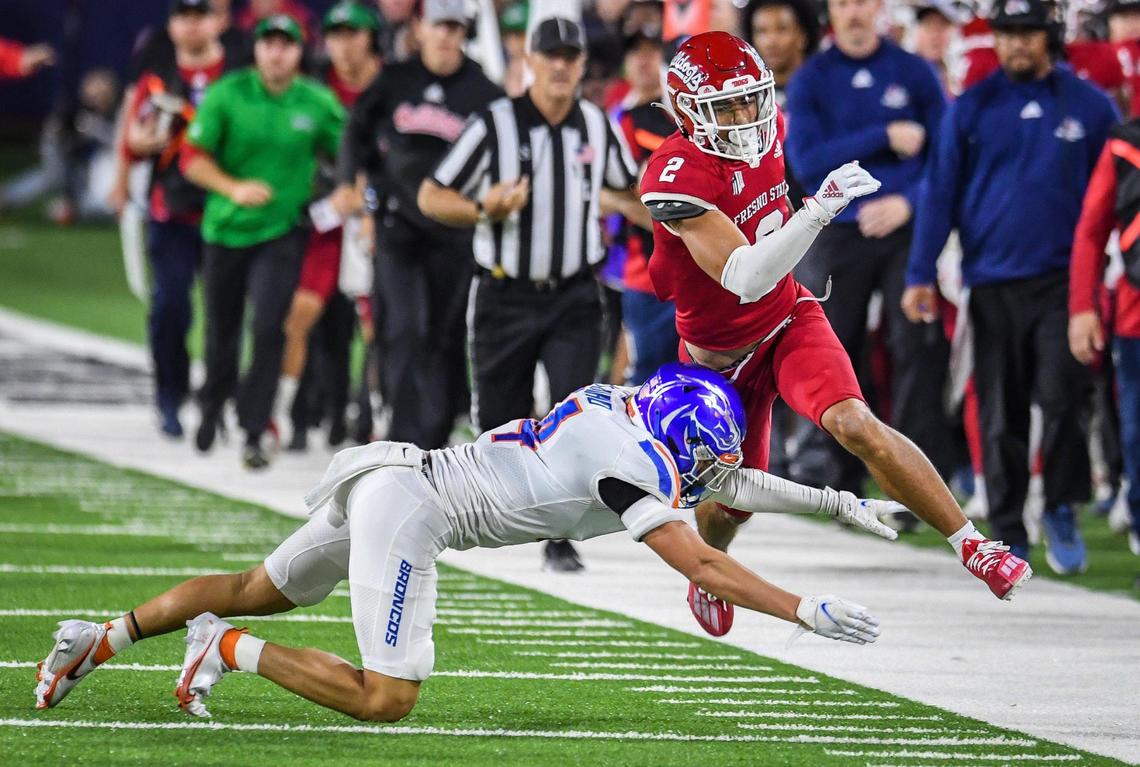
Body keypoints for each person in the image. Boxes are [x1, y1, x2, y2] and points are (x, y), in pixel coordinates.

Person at [35, 363, 899, 720]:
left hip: (394, 476)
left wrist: (833, 501)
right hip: (411, 510)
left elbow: (727, 481)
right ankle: (221, 646)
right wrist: (802, 608)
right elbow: (702, 559)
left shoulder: (626, 411)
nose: (711, 472)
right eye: (701, 454)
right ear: (674, 432)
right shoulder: (628, 459)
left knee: (255, 580)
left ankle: (100, 637)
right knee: (388, 696)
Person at [635, 31, 1030, 637]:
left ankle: (973, 545)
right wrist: (818, 210)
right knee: (729, 503)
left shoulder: (772, 131)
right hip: (716, 365)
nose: (746, 118)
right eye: (728, 107)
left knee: (854, 423)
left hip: (788, 319)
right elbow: (744, 277)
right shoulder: (675, 172)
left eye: (753, 101)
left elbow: (770, 283)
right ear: (688, 111)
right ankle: (708, 571)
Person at [417, 17, 644, 573]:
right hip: (504, 295)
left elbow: (630, 189)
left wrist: (677, 218)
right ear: (530, 62)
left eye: (572, 56)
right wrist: (481, 210)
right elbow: (430, 194)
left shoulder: (597, 125)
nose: (562, 66)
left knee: (574, 415)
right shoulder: (494, 124)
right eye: (552, 55)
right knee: (498, 420)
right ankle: (476, 520)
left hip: (573, 294)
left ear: (584, 64)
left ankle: (559, 534)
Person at [904, 0, 1119, 573]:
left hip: (1065, 286)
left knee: (1064, 397)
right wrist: (920, 272)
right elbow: (940, 192)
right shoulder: (971, 107)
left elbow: (1115, 195)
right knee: (1000, 410)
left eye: (1026, 34)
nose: (1015, 45)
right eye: (1006, 34)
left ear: (1049, 37)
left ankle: (1062, 508)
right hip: (991, 279)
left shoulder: (1091, 107)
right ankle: (1006, 527)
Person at [785, 0, 953, 494]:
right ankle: (843, 480)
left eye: (862, 2)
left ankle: (919, 482)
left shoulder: (914, 72)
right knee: (837, 350)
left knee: (915, 348)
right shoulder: (813, 77)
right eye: (843, 3)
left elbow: (947, 158)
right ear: (831, 13)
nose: (853, 13)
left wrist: (910, 202)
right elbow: (808, 161)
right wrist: (884, 134)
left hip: (906, 230)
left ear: (878, 8)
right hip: (836, 229)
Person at [337, 0, 502, 451]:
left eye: (454, 27)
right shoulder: (394, 80)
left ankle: (435, 434)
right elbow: (356, 134)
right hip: (398, 228)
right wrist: (357, 187)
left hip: (455, 233)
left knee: (443, 335)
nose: (446, 36)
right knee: (404, 327)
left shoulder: (484, 92)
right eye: (438, 26)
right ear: (419, 29)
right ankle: (403, 437)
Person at [182, 15, 346, 469]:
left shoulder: (316, 101)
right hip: (226, 229)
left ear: (300, 52)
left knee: (270, 326)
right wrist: (232, 188)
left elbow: (349, 150)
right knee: (221, 331)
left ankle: (256, 429)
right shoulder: (228, 93)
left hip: (282, 232)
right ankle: (214, 402)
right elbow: (192, 158)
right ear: (256, 50)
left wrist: (353, 188)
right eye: (268, 44)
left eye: (286, 45)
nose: (276, 53)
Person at [120, 0, 235, 438]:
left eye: (200, 14)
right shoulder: (158, 77)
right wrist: (155, 137)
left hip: (225, 211)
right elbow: (133, 141)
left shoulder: (239, 76)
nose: (191, 25)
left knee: (226, 313)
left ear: (217, 20)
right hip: (172, 210)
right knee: (171, 303)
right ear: (171, 25)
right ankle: (169, 392)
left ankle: (217, 400)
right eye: (183, 16)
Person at [278, 1, 382, 451]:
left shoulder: (391, 85)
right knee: (309, 317)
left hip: (377, 219)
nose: (343, 44)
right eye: (335, 34)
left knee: (375, 324)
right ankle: (296, 417)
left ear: (369, 38)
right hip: (323, 217)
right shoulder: (316, 85)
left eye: (352, 33)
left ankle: (364, 416)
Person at [1069, 116, 1140, 557]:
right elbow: (1092, 229)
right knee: (1136, 433)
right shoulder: (1125, 143)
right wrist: (1082, 306)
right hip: (1136, 315)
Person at [614, 22, 681, 385]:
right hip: (647, 271)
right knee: (645, 379)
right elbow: (608, 195)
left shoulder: (686, 120)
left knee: (695, 373)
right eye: (634, 52)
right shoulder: (620, 123)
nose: (644, 61)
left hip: (696, 270)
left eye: (652, 51)